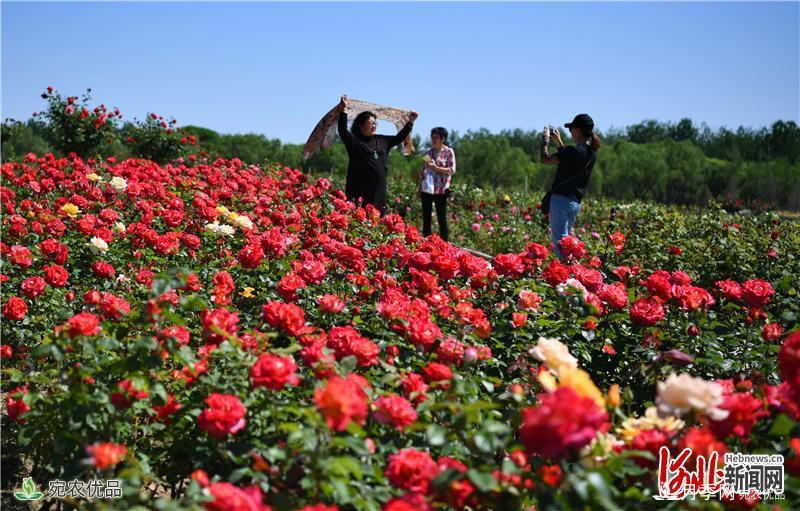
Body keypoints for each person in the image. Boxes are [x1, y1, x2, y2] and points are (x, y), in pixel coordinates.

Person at [337, 95, 418, 215]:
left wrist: (410, 122)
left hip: (379, 191)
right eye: (370, 123)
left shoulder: (382, 141)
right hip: (359, 189)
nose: (374, 126)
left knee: (378, 218)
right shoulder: (354, 141)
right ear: (360, 125)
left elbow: (399, 138)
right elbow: (342, 131)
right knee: (359, 218)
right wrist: (343, 110)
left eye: (375, 123)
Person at [540, 114, 601, 259]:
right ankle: (571, 269)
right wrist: (558, 142)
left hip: (561, 201)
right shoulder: (591, 153)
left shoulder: (574, 151)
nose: (571, 132)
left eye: (572, 128)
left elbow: (545, 159)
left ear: (578, 130)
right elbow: (568, 158)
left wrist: (545, 140)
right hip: (574, 202)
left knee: (561, 245)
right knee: (568, 242)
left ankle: (567, 271)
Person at [418, 127, 456, 241]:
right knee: (426, 217)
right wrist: (419, 187)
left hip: (441, 190)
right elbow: (423, 170)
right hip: (427, 189)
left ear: (443, 139)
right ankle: (426, 242)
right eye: (432, 137)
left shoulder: (449, 152)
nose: (434, 140)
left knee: (441, 218)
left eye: (436, 138)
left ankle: (444, 243)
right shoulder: (428, 152)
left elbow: (451, 170)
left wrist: (436, 168)